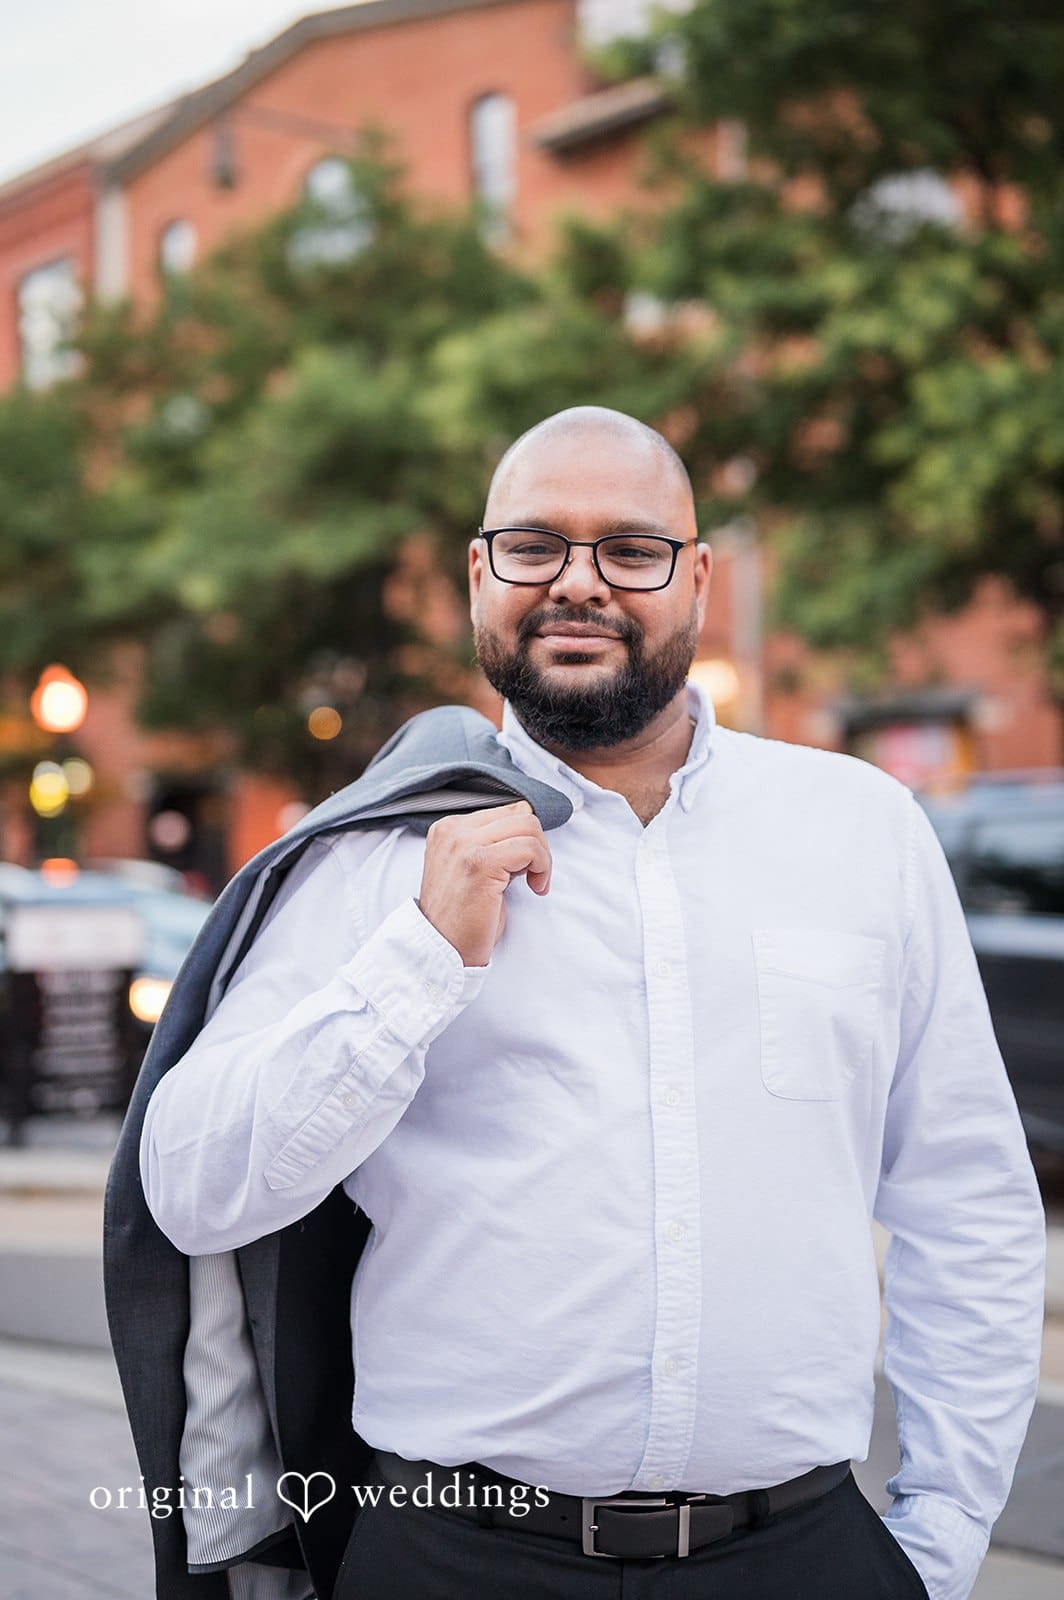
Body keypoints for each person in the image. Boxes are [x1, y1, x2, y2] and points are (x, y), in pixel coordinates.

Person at [141, 405, 1045, 1600]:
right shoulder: (366, 858)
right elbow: (194, 1190)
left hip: (800, 1556)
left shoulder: (861, 828)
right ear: (479, 574)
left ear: (698, 579)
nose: (578, 583)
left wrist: (936, 1540)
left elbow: (965, 1203)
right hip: (451, 1559)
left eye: (628, 548)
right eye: (533, 545)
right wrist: (418, 955)